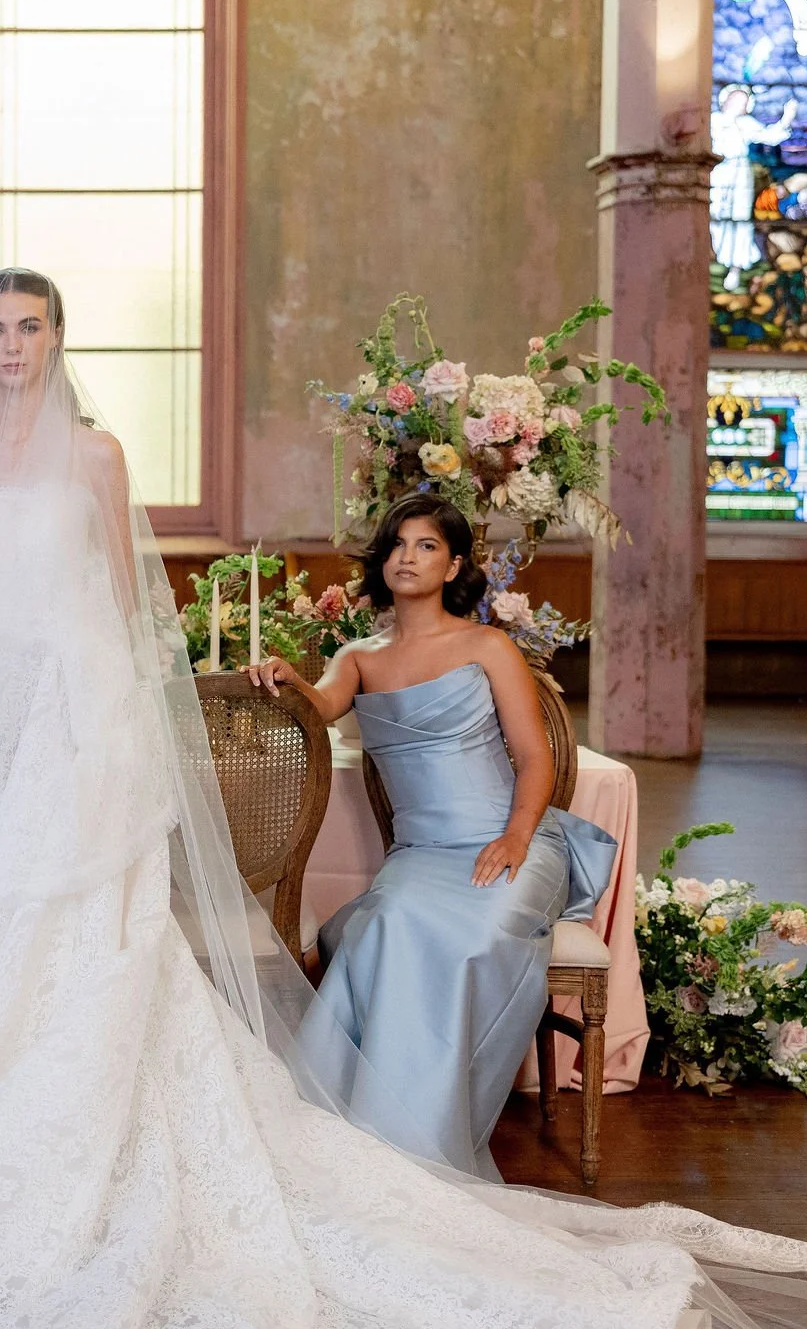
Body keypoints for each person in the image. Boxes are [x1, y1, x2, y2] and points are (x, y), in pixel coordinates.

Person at [0, 269, 807, 1329]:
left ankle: (47, 1154)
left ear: (55, 342)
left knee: (56, 942)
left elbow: (114, 599)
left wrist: (102, 732)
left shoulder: (94, 456)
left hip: (52, 726)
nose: (10, 347)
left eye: (31, 328)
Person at [246, 492, 620, 1179]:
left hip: (510, 840)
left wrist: (513, 838)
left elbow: (535, 760)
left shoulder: (488, 646)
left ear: (453, 565)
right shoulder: (359, 657)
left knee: (478, 934)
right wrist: (283, 674)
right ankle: (357, 1143)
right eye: (396, 545)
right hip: (421, 857)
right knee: (387, 923)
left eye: (425, 546)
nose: (407, 557)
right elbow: (319, 703)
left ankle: (424, 1137)